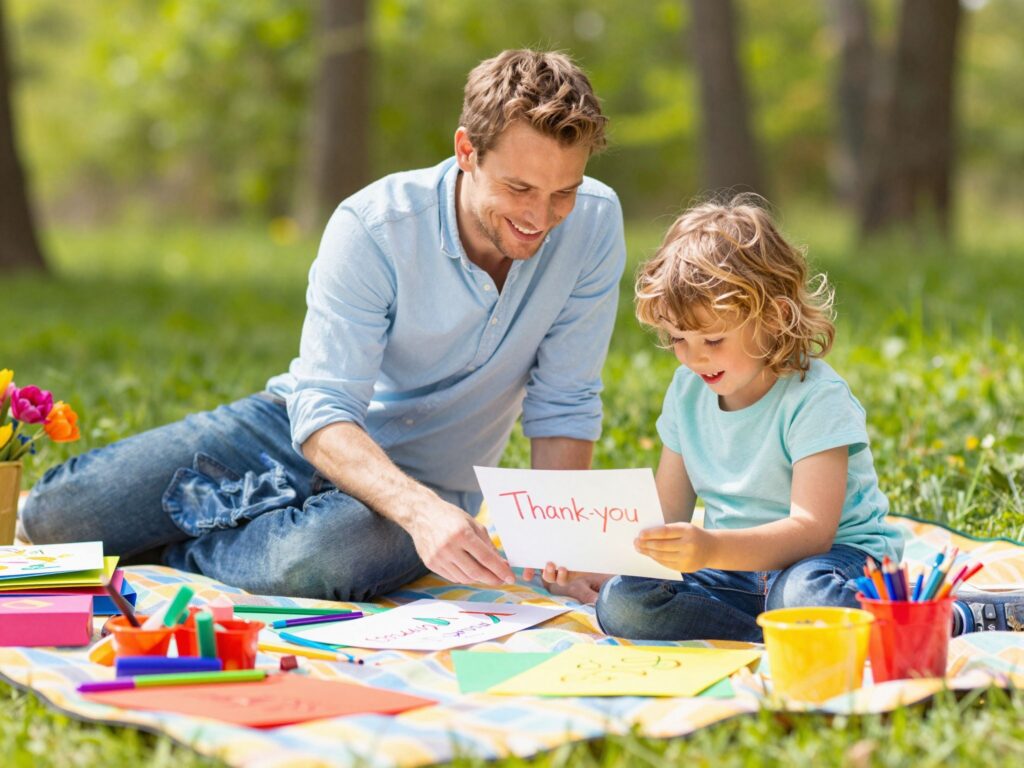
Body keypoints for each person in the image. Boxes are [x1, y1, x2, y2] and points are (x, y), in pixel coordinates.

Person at [19, 49, 625, 603]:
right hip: (292, 432)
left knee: (324, 557)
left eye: (562, 193)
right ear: (467, 151)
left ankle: (180, 551)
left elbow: (564, 403)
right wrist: (416, 513)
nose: (540, 218)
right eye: (519, 187)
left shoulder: (594, 225)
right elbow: (324, 409)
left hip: (427, 485)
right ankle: (248, 524)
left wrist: (562, 545)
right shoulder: (374, 226)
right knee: (55, 520)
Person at [592, 197, 906, 642]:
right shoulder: (686, 393)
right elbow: (664, 516)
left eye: (714, 339)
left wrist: (711, 548)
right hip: (734, 575)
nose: (694, 356)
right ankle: (782, 636)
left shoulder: (815, 397)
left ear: (774, 317)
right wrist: (593, 552)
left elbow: (812, 532)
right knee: (622, 600)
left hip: (832, 563)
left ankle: (936, 618)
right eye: (679, 338)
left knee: (803, 598)